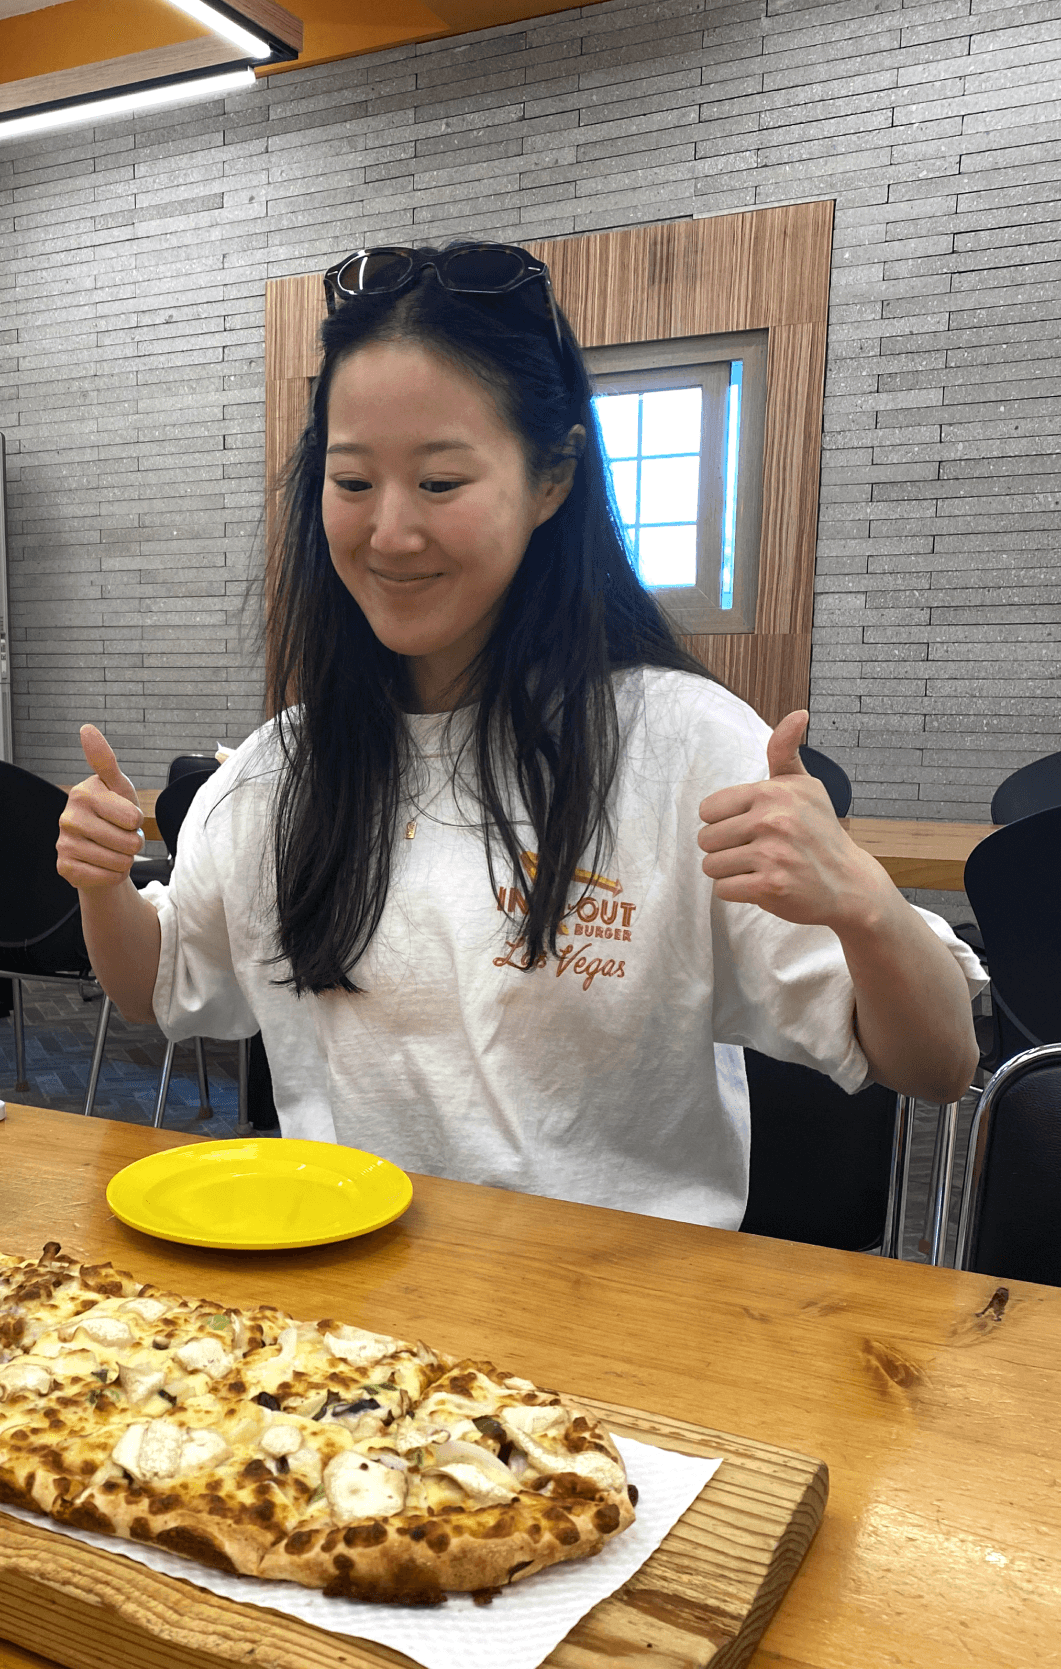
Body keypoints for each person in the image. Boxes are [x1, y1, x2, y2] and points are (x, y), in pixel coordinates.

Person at [57, 241, 983, 1227]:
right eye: (353, 482)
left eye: (442, 483)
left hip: (613, 1318)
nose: (391, 532)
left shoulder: (683, 745)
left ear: (550, 482)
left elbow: (934, 1066)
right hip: (341, 1313)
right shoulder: (286, 767)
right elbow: (161, 989)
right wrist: (103, 885)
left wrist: (866, 909)